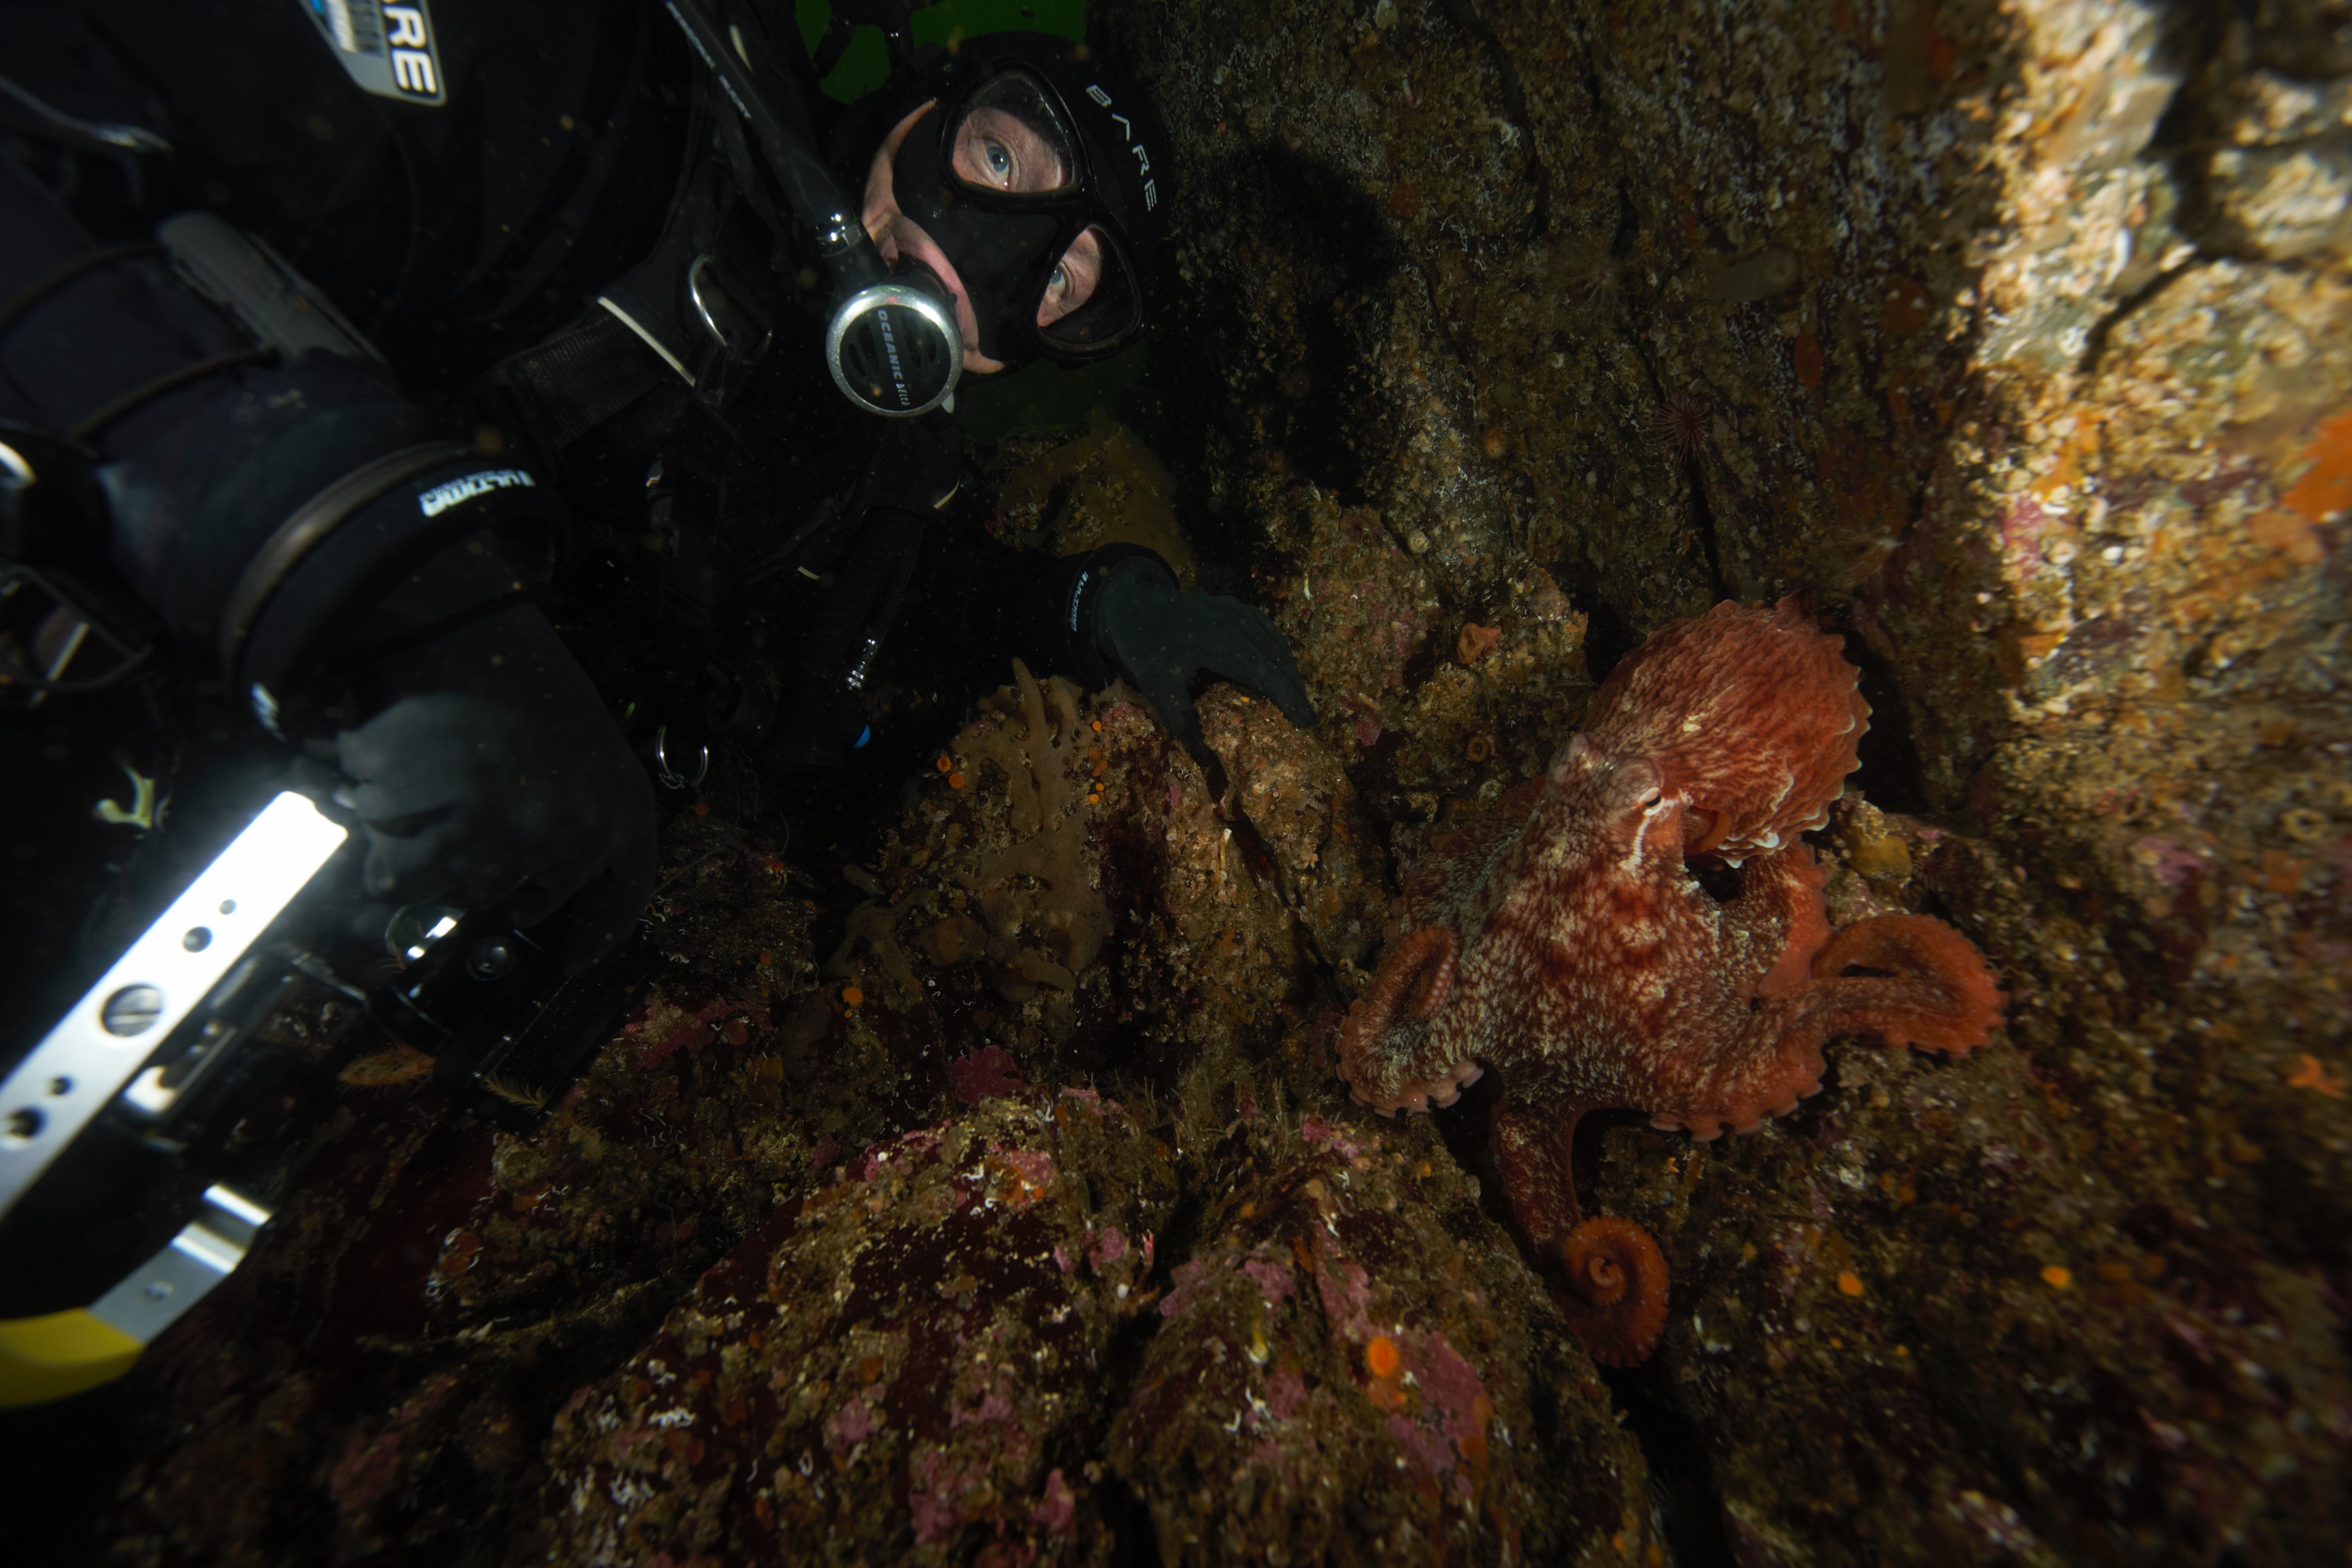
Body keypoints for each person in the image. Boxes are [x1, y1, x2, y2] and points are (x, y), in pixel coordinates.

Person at [0, 1, 1314, 987]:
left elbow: (861, 590)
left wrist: (1091, 602)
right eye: (1006, 160)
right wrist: (315, 531)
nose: (1003, 256)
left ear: (1022, 350)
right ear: (928, 102)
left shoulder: (862, 441)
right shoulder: (576, 101)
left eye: (1067, 285)